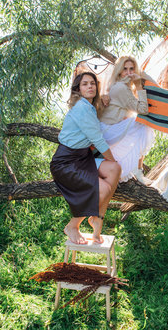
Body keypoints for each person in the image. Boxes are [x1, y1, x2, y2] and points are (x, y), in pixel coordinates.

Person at [50, 72, 121, 245]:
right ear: (78, 89)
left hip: (82, 158)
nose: (90, 86)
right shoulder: (82, 108)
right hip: (65, 163)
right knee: (104, 187)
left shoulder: (89, 107)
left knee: (115, 169)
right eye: (85, 84)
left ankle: (98, 217)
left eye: (92, 84)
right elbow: (98, 141)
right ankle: (73, 226)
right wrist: (112, 159)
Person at [99, 55, 156, 185]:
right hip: (107, 130)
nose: (129, 73)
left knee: (138, 122)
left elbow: (156, 85)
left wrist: (140, 74)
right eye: (125, 69)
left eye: (132, 69)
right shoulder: (121, 88)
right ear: (119, 71)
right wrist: (138, 84)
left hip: (110, 128)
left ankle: (136, 170)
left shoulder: (120, 86)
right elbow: (143, 109)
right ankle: (138, 171)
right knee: (144, 124)